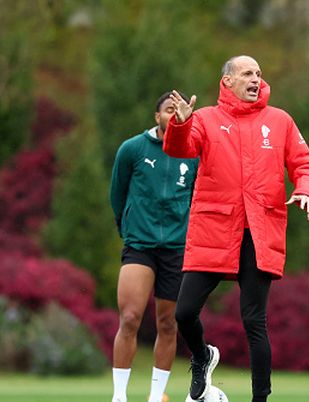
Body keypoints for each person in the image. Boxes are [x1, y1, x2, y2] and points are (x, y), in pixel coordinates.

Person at [163, 55, 309, 402]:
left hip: (260, 232)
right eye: (247, 73)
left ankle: (260, 399)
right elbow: (179, 150)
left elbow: (305, 164)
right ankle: (202, 358)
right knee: (184, 312)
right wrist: (180, 125)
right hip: (214, 230)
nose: (255, 79)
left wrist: (306, 190)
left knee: (254, 322)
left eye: (259, 74)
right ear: (228, 81)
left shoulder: (279, 120)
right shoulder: (204, 118)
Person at [109, 91, 199, 402]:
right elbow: (117, 194)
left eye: (180, 110)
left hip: (177, 248)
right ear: (156, 116)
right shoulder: (132, 149)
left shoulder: (194, 154)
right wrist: (128, 227)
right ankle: (119, 396)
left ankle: (156, 396)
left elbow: (199, 198)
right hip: (140, 245)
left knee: (168, 323)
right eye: (168, 110)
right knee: (130, 317)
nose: (174, 114)